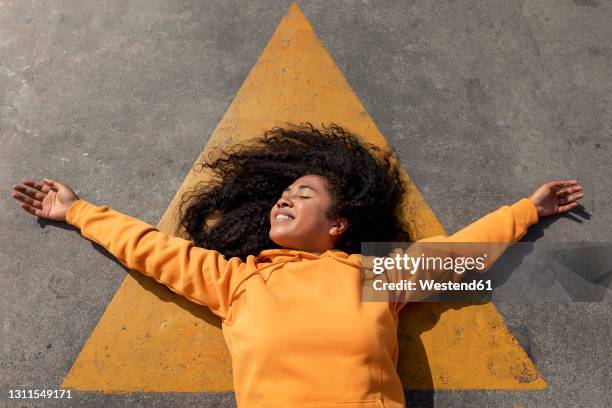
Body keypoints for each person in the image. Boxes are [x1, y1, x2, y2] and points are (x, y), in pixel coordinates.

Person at [11, 124, 584, 408]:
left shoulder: (370, 277)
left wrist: (527, 210)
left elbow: (460, 255)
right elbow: (152, 250)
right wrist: (77, 211)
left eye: (303, 194)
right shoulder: (237, 281)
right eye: (282, 195)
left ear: (338, 225)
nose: (284, 200)